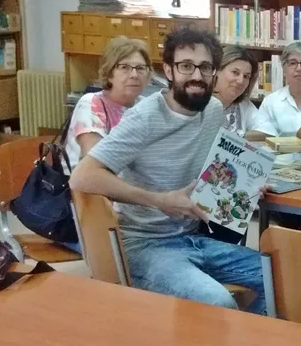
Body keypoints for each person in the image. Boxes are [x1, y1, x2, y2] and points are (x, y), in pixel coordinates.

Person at [70, 27, 266, 312]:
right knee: (217, 301)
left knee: (285, 278)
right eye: (186, 66)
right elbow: (83, 176)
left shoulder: (212, 110)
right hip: (145, 245)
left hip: (193, 237)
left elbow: (212, 170)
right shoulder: (145, 117)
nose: (197, 76)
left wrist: (247, 184)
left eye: (205, 67)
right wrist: (160, 200)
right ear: (169, 71)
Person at [64, 36, 151, 173]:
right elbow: (96, 164)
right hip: (84, 188)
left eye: (140, 68)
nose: (134, 74)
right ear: (110, 74)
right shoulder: (91, 104)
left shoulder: (146, 106)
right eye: (124, 67)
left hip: (126, 184)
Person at [252, 41, 301, 139]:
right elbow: (263, 138)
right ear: (284, 69)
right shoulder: (271, 101)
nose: (299, 68)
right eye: (293, 63)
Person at [213, 45, 265, 140]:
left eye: (246, 76)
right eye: (235, 72)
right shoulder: (199, 103)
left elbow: (266, 132)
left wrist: (241, 138)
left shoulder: (245, 106)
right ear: (217, 71)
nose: (241, 81)